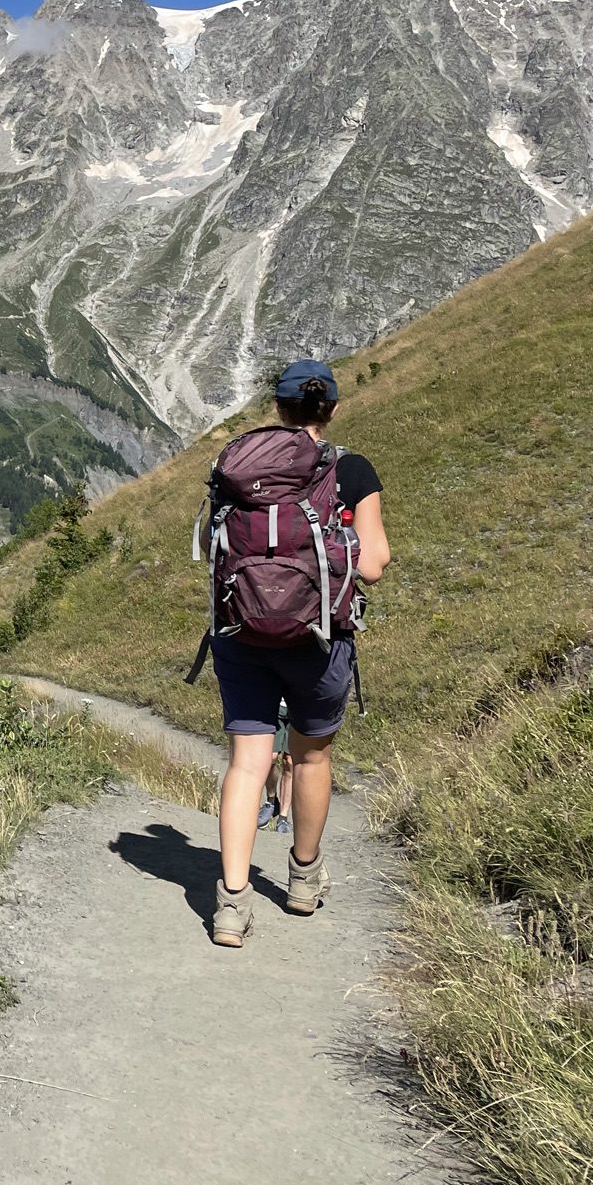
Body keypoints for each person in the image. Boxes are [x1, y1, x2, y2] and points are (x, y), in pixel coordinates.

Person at [209, 360, 390, 949]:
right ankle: (303, 881)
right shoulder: (350, 469)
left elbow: (213, 554)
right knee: (310, 760)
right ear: (330, 408)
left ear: (279, 408)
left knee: (246, 763)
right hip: (319, 638)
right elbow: (374, 565)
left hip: (241, 636)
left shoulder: (236, 471)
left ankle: (231, 907)